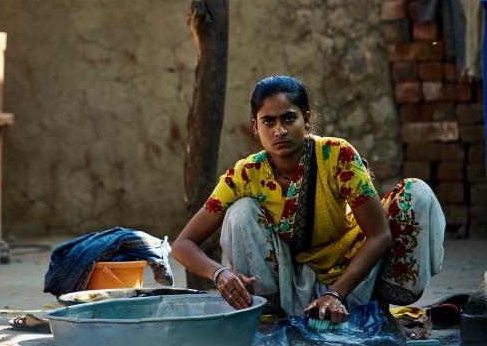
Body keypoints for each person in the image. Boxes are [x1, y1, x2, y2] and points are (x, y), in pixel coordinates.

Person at [172, 75, 445, 325]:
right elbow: (183, 244)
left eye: (289, 118)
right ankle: (271, 316)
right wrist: (220, 273)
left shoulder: (337, 155)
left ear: (307, 119)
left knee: (416, 193)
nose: (279, 130)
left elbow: (380, 235)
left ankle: (378, 310)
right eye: (268, 121)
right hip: (291, 283)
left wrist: (335, 293)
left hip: (357, 274)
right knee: (240, 212)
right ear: (255, 126)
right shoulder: (246, 174)